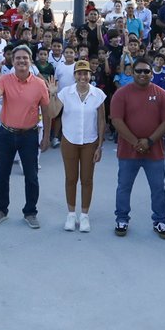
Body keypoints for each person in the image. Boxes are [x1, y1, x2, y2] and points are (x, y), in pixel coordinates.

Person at [110, 57, 165, 239]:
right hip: (128, 151)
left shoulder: (162, 94)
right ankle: (122, 219)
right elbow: (116, 120)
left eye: (147, 71)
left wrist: (149, 141)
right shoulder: (121, 94)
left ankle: (160, 221)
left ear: (152, 73)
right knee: (124, 187)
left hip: (154, 151)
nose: (143, 74)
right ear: (132, 72)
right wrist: (135, 142)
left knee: (158, 188)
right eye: (139, 71)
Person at [0, 46, 52, 228]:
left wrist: (46, 136)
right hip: (6, 134)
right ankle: (1, 210)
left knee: (31, 176)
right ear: (13, 60)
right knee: (1, 175)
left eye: (25, 57)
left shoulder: (39, 84)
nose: (21, 61)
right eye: (18, 58)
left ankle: (30, 212)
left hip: (29, 135)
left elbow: (46, 112)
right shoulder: (4, 79)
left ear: (30, 61)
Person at [50, 60, 104, 233]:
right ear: (74, 75)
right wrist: (52, 95)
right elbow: (53, 113)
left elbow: (101, 121)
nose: (83, 77)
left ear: (90, 75)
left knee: (87, 179)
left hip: (90, 141)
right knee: (71, 178)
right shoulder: (65, 93)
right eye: (79, 73)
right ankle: (71, 214)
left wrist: (100, 146)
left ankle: (84, 215)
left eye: (85, 73)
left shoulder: (98, 94)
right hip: (69, 140)